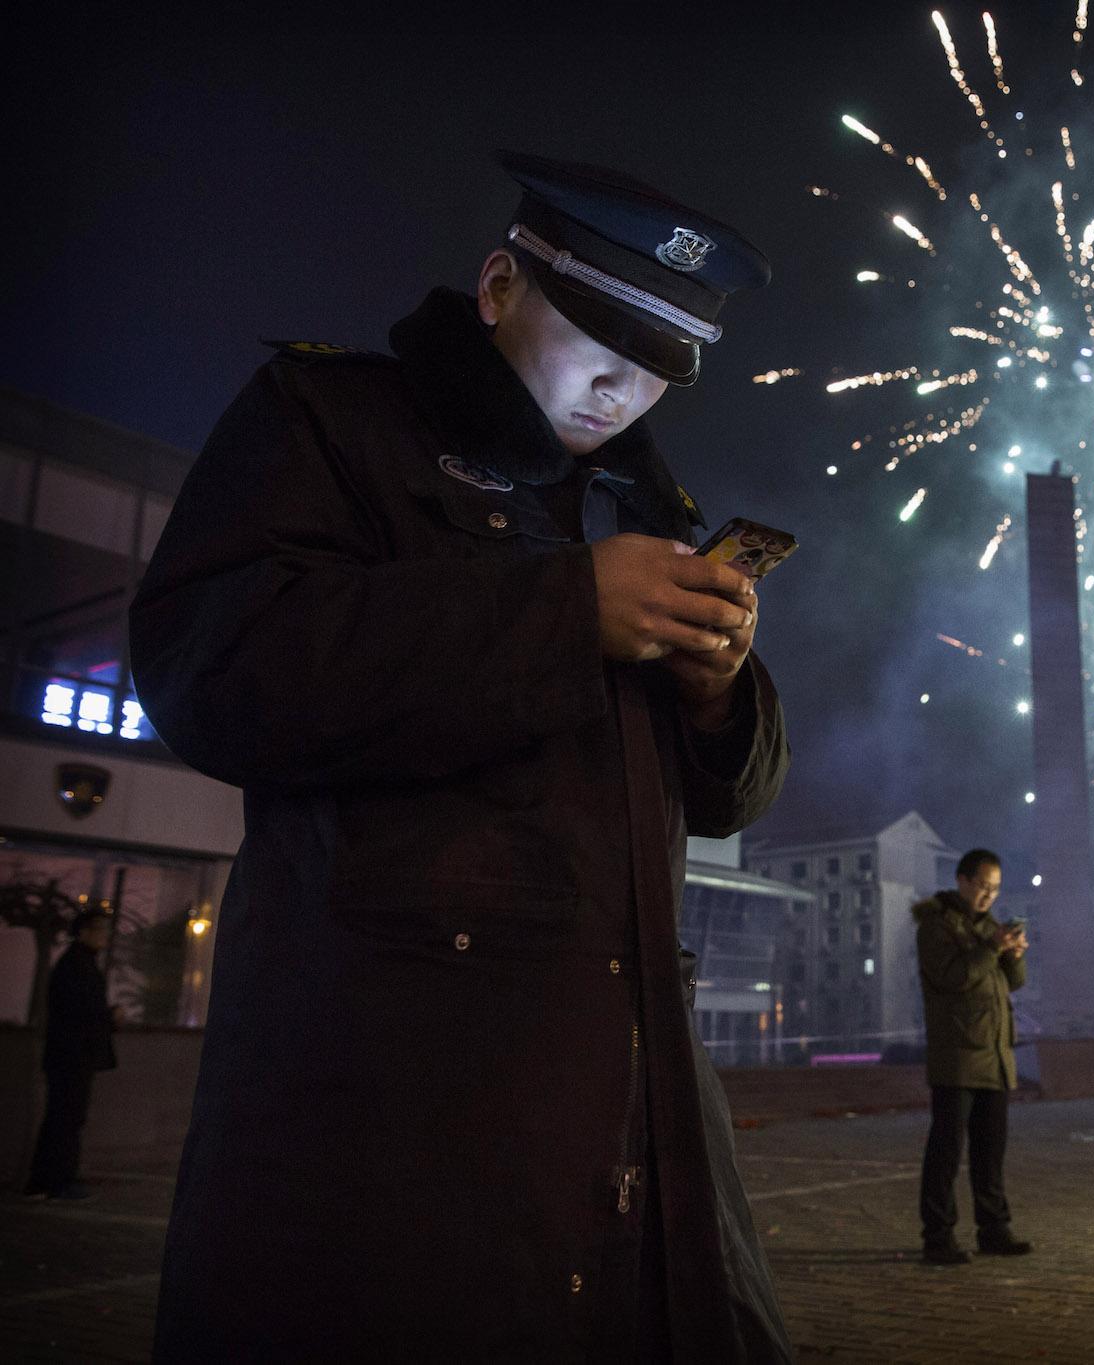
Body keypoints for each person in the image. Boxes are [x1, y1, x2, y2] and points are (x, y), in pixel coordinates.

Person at [130, 152, 793, 1360]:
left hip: (635, 1108)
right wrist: (558, 613)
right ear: (498, 286)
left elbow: (724, 800)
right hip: (387, 1109)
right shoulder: (328, 419)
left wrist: (716, 691)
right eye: (597, 333)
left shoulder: (648, 510)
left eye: (659, 365)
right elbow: (213, 674)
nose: (621, 386)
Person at [912, 849, 1031, 1265]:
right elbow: (953, 977)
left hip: (995, 1057)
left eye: (994, 889)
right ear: (962, 880)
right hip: (958, 1056)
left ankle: (994, 1229)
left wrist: (1013, 954)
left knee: (990, 1151)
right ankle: (938, 1236)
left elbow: (1012, 984)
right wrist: (992, 949)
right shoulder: (936, 925)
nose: (987, 896)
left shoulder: (988, 927)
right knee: (946, 1151)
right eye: (982, 886)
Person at [24, 908, 117, 1201]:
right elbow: (79, 1011)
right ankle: (53, 1181)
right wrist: (109, 1015)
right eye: (99, 929)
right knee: (65, 1119)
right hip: (71, 1057)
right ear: (83, 932)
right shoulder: (76, 966)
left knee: (65, 1119)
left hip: (71, 1056)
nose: (104, 936)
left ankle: (53, 1180)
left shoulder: (79, 964)